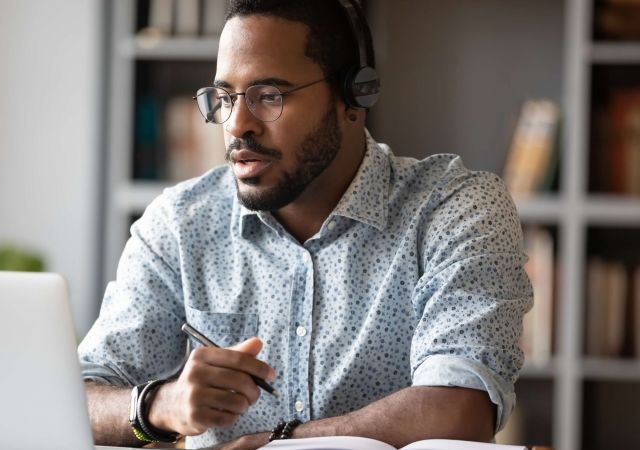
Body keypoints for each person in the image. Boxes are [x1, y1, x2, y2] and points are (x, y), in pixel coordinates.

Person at [78, 0, 532, 449]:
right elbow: (78, 397)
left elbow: (458, 409)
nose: (238, 125)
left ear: (355, 96)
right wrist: (158, 406)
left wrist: (277, 443)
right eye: (225, 98)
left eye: (269, 96)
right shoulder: (181, 225)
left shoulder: (453, 209)